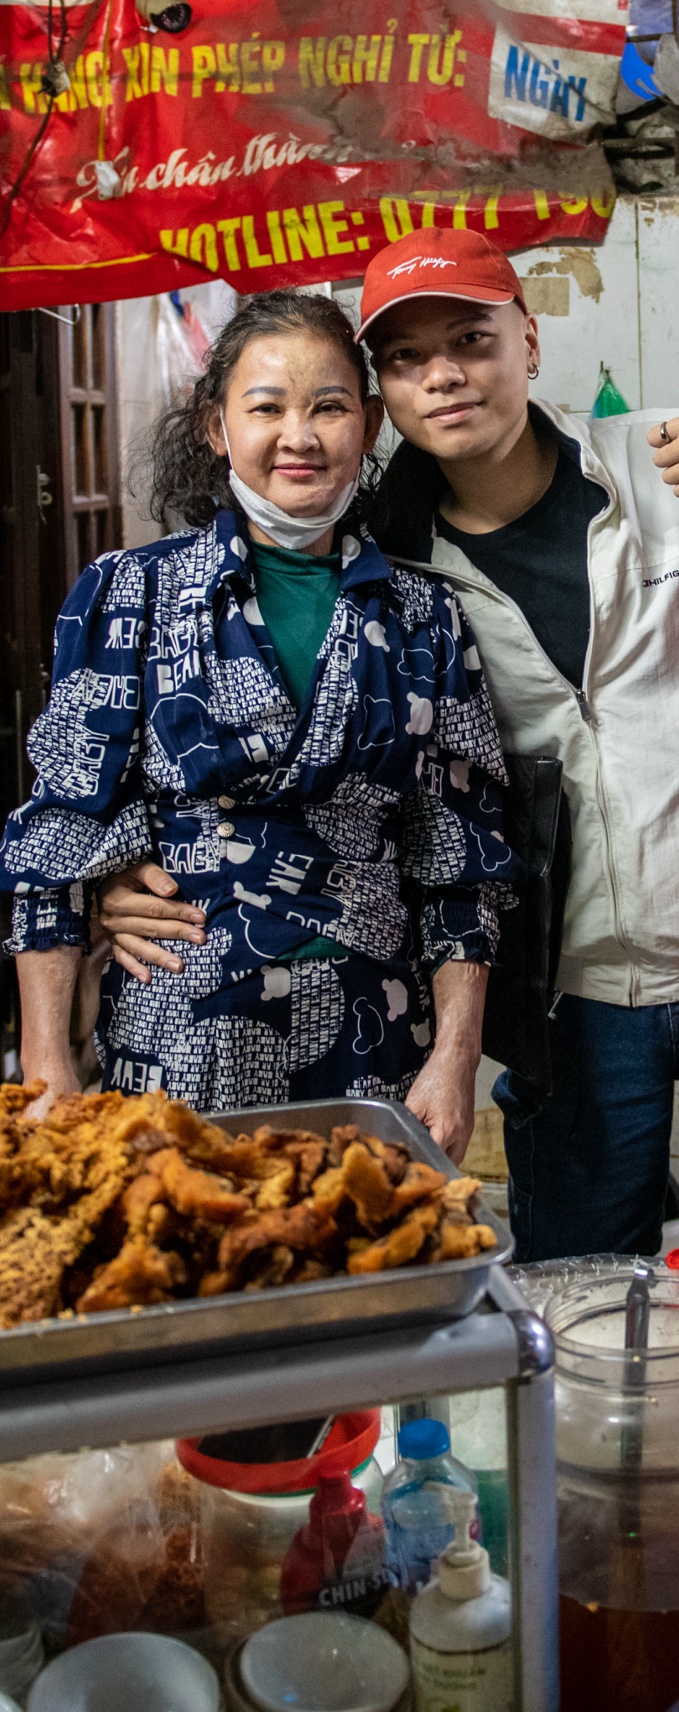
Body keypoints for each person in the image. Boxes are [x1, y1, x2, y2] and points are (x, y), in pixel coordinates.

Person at [98, 227, 679, 1260]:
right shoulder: (390, 565)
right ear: (384, 401)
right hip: (568, 993)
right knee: (581, 1300)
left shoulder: (673, 464)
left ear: (528, 343)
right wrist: (118, 868)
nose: (445, 374)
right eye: (407, 358)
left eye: (472, 338)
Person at [0, 289, 514, 1156]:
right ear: (216, 426)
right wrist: (48, 1060)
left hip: (373, 1043)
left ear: (370, 426)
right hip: (179, 1040)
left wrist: (456, 1059)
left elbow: (460, 860)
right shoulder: (133, 594)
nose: (299, 437)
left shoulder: (425, 614)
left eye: (329, 407)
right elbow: (58, 837)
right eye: (267, 406)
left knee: (365, 1276)